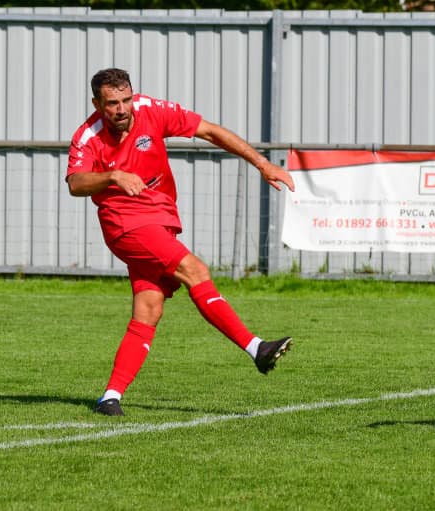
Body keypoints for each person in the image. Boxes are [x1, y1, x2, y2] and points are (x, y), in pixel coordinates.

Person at [66, 68, 296, 416]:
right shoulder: (88, 136)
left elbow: (210, 131)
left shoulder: (152, 111)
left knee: (149, 308)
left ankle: (110, 397)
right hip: (125, 223)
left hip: (160, 221)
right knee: (195, 269)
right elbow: (75, 183)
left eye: (126, 100)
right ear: (97, 104)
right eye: (112, 103)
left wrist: (262, 164)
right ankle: (256, 348)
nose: (122, 109)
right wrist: (113, 176)